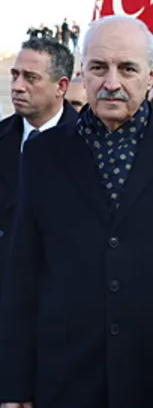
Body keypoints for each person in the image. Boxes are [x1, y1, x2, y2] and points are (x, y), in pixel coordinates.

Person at [0, 15, 153, 408]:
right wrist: (14, 387)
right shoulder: (42, 154)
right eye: (99, 68)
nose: (112, 82)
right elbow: (23, 275)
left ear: (151, 75)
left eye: (127, 69)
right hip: (67, 376)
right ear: (82, 73)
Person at [0, 38, 79, 286]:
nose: (17, 87)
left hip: (63, 291)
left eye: (31, 78)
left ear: (61, 86)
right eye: (15, 75)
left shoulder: (90, 143)